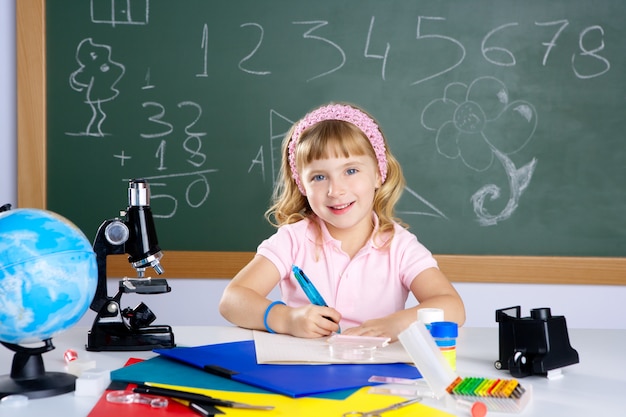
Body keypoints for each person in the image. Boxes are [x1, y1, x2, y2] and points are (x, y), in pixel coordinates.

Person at [219, 102, 465, 341]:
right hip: (305, 374)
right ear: (302, 185)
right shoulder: (293, 240)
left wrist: (397, 324)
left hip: (377, 374)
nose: (335, 190)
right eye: (319, 176)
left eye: (350, 171)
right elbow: (232, 300)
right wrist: (287, 319)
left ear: (380, 173)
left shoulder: (399, 246)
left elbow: (453, 307)